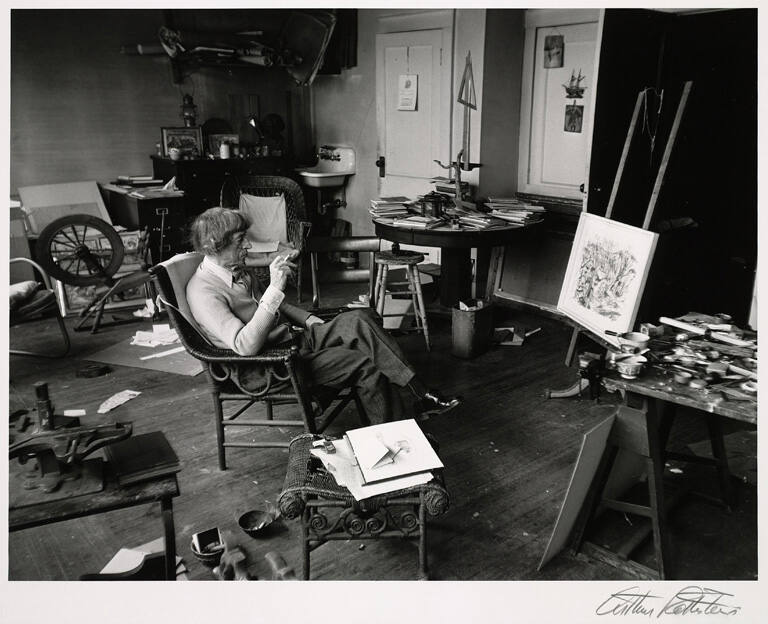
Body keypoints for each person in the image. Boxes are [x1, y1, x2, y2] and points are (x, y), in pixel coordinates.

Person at [186, 207, 461, 423]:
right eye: (239, 241)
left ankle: (421, 393)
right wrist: (273, 289)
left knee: (361, 318)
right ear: (213, 245)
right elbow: (246, 346)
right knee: (365, 362)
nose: (247, 245)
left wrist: (307, 319)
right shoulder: (203, 292)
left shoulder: (237, 269)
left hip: (292, 342)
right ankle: (401, 438)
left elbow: (274, 307)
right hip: (269, 365)